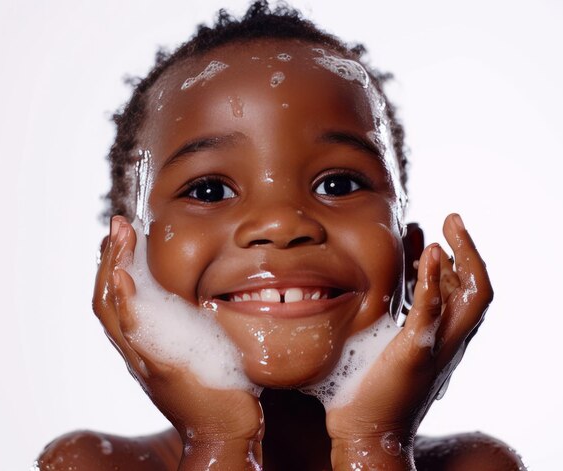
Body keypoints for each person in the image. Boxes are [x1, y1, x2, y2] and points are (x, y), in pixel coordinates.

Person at [36, 2, 525, 469]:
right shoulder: (89, 464)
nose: (281, 223)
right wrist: (218, 445)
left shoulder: (481, 465)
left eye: (338, 184)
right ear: (126, 262)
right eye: (209, 190)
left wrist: (375, 442)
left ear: (413, 257)